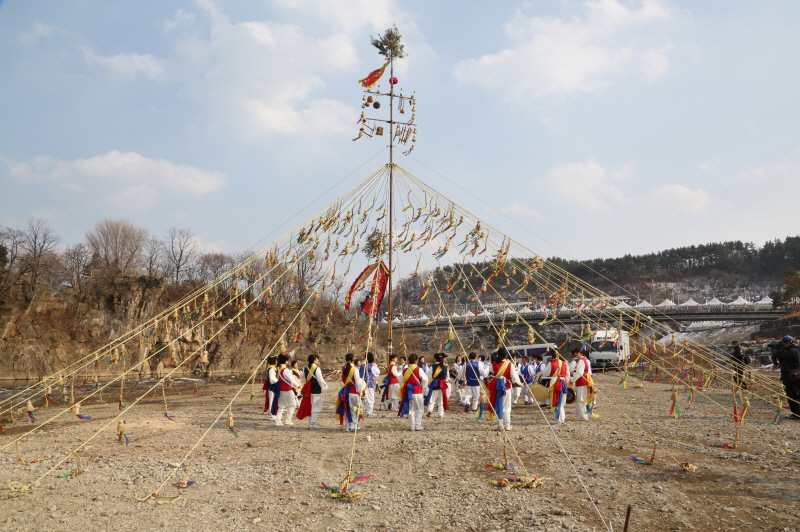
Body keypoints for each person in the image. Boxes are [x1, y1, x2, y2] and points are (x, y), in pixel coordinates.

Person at [488, 347, 522, 431]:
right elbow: (514, 376)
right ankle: (507, 425)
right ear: (506, 355)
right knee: (507, 407)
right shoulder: (509, 364)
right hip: (506, 387)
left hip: (497, 387)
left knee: (499, 405)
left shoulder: (494, 363)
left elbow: (490, 371)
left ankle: (500, 425)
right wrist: (519, 383)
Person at [397, 353, 429, 431]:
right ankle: (418, 425)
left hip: (408, 391)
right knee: (419, 408)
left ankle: (412, 425)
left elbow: (400, 380)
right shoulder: (419, 369)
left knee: (411, 408)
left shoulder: (404, 370)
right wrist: (422, 386)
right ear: (416, 361)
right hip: (417, 391)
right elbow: (425, 379)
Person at [296, 354, 328, 429]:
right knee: (316, 406)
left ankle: (311, 423)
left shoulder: (306, 368)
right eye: (317, 359)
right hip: (316, 388)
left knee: (311, 405)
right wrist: (325, 386)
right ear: (314, 360)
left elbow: (302, 379)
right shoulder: (317, 369)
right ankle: (312, 423)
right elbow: (320, 379)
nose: (318, 360)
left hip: (308, 389)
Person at [335, 353, 366, 432]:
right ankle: (354, 425)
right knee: (356, 408)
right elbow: (358, 382)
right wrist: (360, 391)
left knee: (347, 408)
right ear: (353, 360)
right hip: (353, 390)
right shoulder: (354, 369)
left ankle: (347, 426)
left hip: (345, 391)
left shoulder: (343, 368)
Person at [772, 336, 800, 420]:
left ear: (787, 343)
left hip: (793, 378)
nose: (781, 344)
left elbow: (782, 356)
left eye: (782, 343)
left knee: (793, 395)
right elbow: (777, 357)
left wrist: (779, 349)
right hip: (794, 376)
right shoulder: (795, 349)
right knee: (796, 395)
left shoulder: (792, 351)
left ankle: (796, 414)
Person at [274, 353, 301, 426]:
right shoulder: (285, 370)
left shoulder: (278, 368)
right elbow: (291, 380)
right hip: (286, 388)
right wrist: (297, 385)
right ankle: (288, 420)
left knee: (281, 405)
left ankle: (278, 420)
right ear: (285, 361)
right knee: (292, 405)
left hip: (280, 388)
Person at [547, 351, 569, 424]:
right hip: (563, 382)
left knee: (555, 401)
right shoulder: (564, 363)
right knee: (561, 402)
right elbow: (567, 374)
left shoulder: (551, 363)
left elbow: (545, 372)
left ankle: (558, 419)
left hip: (555, 383)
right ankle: (562, 418)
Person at [570, 348, 592, 421]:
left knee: (579, 399)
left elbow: (579, 372)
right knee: (582, 400)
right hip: (584, 380)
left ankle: (583, 416)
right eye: (575, 352)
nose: (576, 354)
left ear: (581, 353)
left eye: (577, 352)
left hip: (582, 381)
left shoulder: (581, 361)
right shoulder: (583, 360)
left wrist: (573, 380)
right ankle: (584, 416)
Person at [426, 353, 450, 418]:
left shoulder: (432, 367)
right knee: (440, 401)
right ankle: (441, 414)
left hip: (434, 384)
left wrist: (429, 383)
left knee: (432, 399)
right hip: (442, 384)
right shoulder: (445, 367)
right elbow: (447, 377)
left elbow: (428, 376)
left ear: (435, 359)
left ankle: (430, 410)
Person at [262, 355, 280, 421]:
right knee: (271, 400)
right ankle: (272, 414)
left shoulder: (272, 368)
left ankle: (273, 413)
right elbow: (272, 379)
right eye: (276, 360)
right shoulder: (271, 369)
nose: (277, 362)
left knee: (272, 399)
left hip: (273, 385)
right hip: (272, 385)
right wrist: (278, 382)